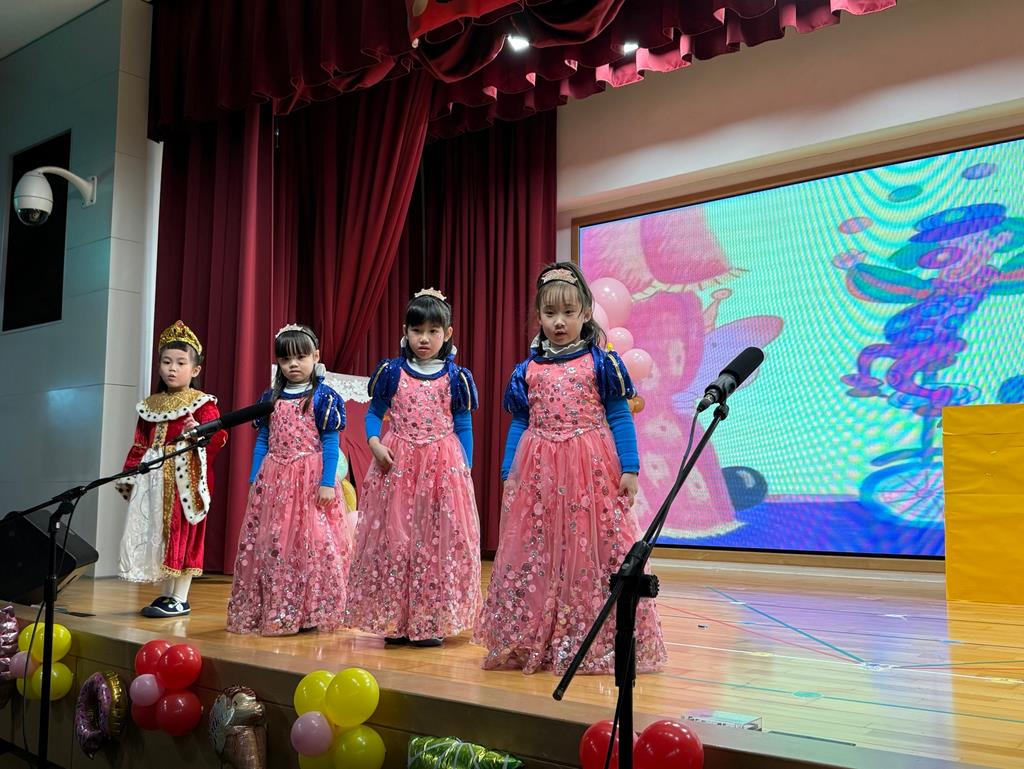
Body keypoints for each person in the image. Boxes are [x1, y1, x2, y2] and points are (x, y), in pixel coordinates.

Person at [476, 263, 667, 674]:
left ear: (585, 314)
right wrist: (509, 470)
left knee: (593, 551)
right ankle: (535, 637)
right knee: (540, 552)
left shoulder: (602, 363)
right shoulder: (528, 370)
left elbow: (620, 416)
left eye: (568, 312)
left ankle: (595, 637)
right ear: (539, 317)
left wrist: (630, 468)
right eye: (550, 313)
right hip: (539, 471)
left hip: (590, 469)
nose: (559, 322)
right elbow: (520, 422)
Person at [345, 289, 481, 647]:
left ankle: (430, 621)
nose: (424, 338)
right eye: (417, 330)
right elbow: (374, 414)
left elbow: (463, 425)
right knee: (396, 541)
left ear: (447, 334)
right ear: (405, 331)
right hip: (398, 468)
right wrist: (375, 444)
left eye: (433, 331)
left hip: (442, 469)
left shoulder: (456, 378)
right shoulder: (391, 373)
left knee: (434, 544)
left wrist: (464, 469)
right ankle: (396, 619)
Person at [226, 324, 352, 636]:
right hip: (276, 481)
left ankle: (311, 610)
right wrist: (255, 479)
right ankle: (281, 607)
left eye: (301, 357)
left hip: (310, 482)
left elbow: (331, 444)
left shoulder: (323, 397)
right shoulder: (271, 398)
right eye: (285, 359)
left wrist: (327, 482)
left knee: (312, 545)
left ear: (316, 356)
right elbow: (262, 441)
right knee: (276, 545)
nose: (293, 364)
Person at [117, 320, 227, 617]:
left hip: (184, 481)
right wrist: (130, 475)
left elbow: (218, 437)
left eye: (180, 363)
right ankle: (166, 594)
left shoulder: (202, 404)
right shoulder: (150, 405)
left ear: (195, 370)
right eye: (166, 362)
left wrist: (198, 430)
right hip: (154, 481)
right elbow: (140, 442)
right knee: (160, 533)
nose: (172, 369)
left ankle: (180, 597)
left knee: (183, 534)